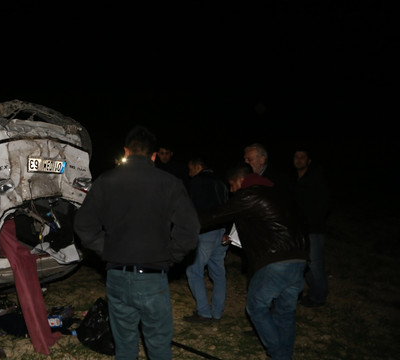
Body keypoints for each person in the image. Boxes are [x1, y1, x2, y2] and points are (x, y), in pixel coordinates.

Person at [74, 125, 200, 360]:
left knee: (124, 347)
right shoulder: (170, 183)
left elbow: (83, 225)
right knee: (159, 345)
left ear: (126, 151)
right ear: (153, 155)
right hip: (153, 277)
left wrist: (108, 250)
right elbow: (190, 229)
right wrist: (169, 255)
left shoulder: (106, 181)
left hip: (118, 276)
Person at [199, 162, 308, 360]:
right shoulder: (278, 193)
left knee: (256, 307)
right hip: (299, 258)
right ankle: (285, 355)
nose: (232, 191)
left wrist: (184, 223)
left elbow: (216, 215)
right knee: (285, 312)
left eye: (231, 186)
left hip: (276, 261)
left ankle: (279, 355)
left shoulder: (250, 194)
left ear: (240, 180)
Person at [183, 156, 230, 323]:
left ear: (198, 166)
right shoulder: (222, 183)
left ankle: (204, 312)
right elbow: (229, 207)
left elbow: (193, 208)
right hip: (222, 231)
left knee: (194, 271)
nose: (189, 173)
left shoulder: (197, 182)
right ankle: (217, 312)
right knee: (218, 272)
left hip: (205, 231)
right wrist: (228, 231)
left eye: (190, 169)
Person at [293, 147, 330, 307]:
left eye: (302, 157)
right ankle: (312, 293)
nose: (299, 159)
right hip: (298, 229)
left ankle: (319, 297)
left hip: (313, 230)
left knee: (315, 264)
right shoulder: (295, 180)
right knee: (302, 263)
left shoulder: (316, 179)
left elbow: (323, 204)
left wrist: (313, 222)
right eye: (296, 156)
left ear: (308, 161)